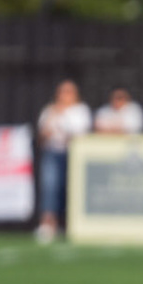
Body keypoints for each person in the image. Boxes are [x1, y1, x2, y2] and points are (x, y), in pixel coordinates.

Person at [35, 80, 92, 242]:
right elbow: (42, 135)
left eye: (68, 92)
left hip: (75, 156)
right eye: (62, 92)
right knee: (50, 187)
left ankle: (70, 225)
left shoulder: (80, 110)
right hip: (53, 152)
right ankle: (48, 223)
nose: (64, 95)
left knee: (73, 189)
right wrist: (54, 116)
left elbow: (80, 134)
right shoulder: (49, 110)